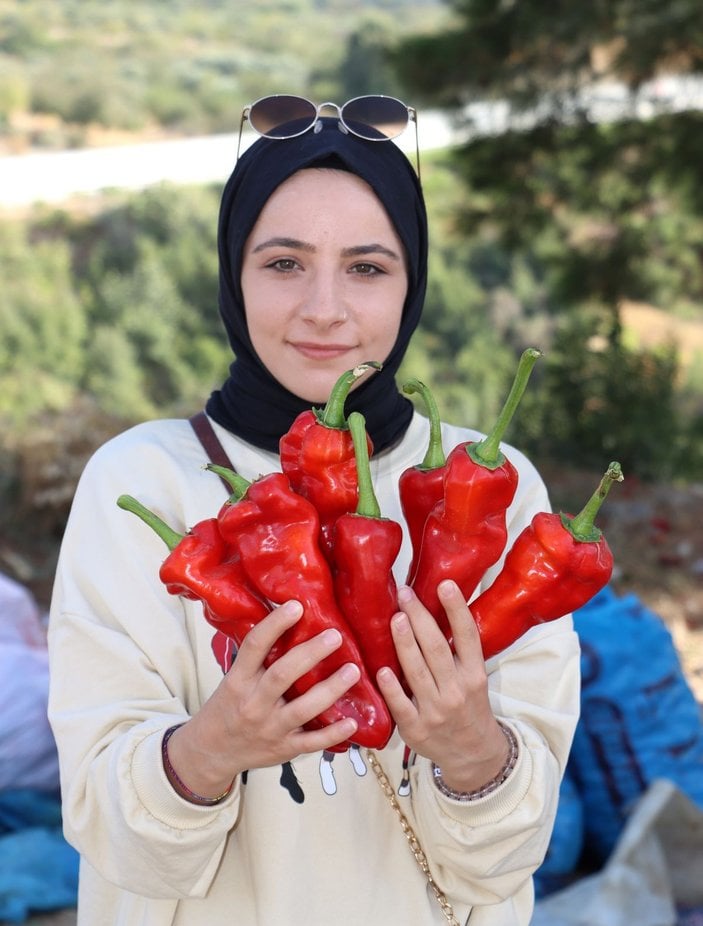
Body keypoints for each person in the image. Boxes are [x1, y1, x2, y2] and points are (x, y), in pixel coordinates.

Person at [47, 96, 580, 926]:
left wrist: (473, 749)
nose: (324, 309)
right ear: (233, 271)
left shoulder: (491, 486)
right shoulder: (143, 480)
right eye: (284, 263)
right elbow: (111, 838)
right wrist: (209, 751)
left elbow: (510, 857)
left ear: (413, 285)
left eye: (367, 267)